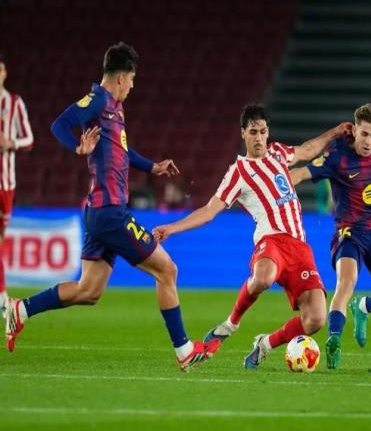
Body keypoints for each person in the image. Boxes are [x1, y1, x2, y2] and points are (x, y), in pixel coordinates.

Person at [4, 42, 220, 371]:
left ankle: (21, 310)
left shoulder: (115, 109)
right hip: (110, 212)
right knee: (167, 270)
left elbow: (123, 151)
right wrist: (77, 146)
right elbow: (59, 124)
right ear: (120, 77)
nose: (132, 86)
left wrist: (153, 167)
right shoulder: (98, 100)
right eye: (131, 79)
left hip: (99, 212)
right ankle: (184, 351)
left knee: (88, 291)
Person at [153, 104, 352, 369]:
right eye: (253, 132)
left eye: (263, 131)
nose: (259, 137)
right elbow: (210, 211)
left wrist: (336, 132)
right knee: (263, 277)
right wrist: (171, 228)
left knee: (316, 319)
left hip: (299, 247)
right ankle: (230, 324)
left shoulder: (278, 153)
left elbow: (307, 150)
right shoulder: (238, 171)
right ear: (243, 134)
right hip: (271, 240)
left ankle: (265, 344)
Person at [291, 103, 371, 369]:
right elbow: (301, 173)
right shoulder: (337, 157)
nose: (369, 141)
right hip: (349, 234)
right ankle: (334, 339)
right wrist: (276, 185)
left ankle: (363, 307)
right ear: (354, 130)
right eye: (364, 134)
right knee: (346, 282)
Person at [0, 54, 34, 316]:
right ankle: (2, 296)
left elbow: (29, 139)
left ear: (5, 73)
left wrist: (11, 143)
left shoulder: (14, 103)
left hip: (6, 183)